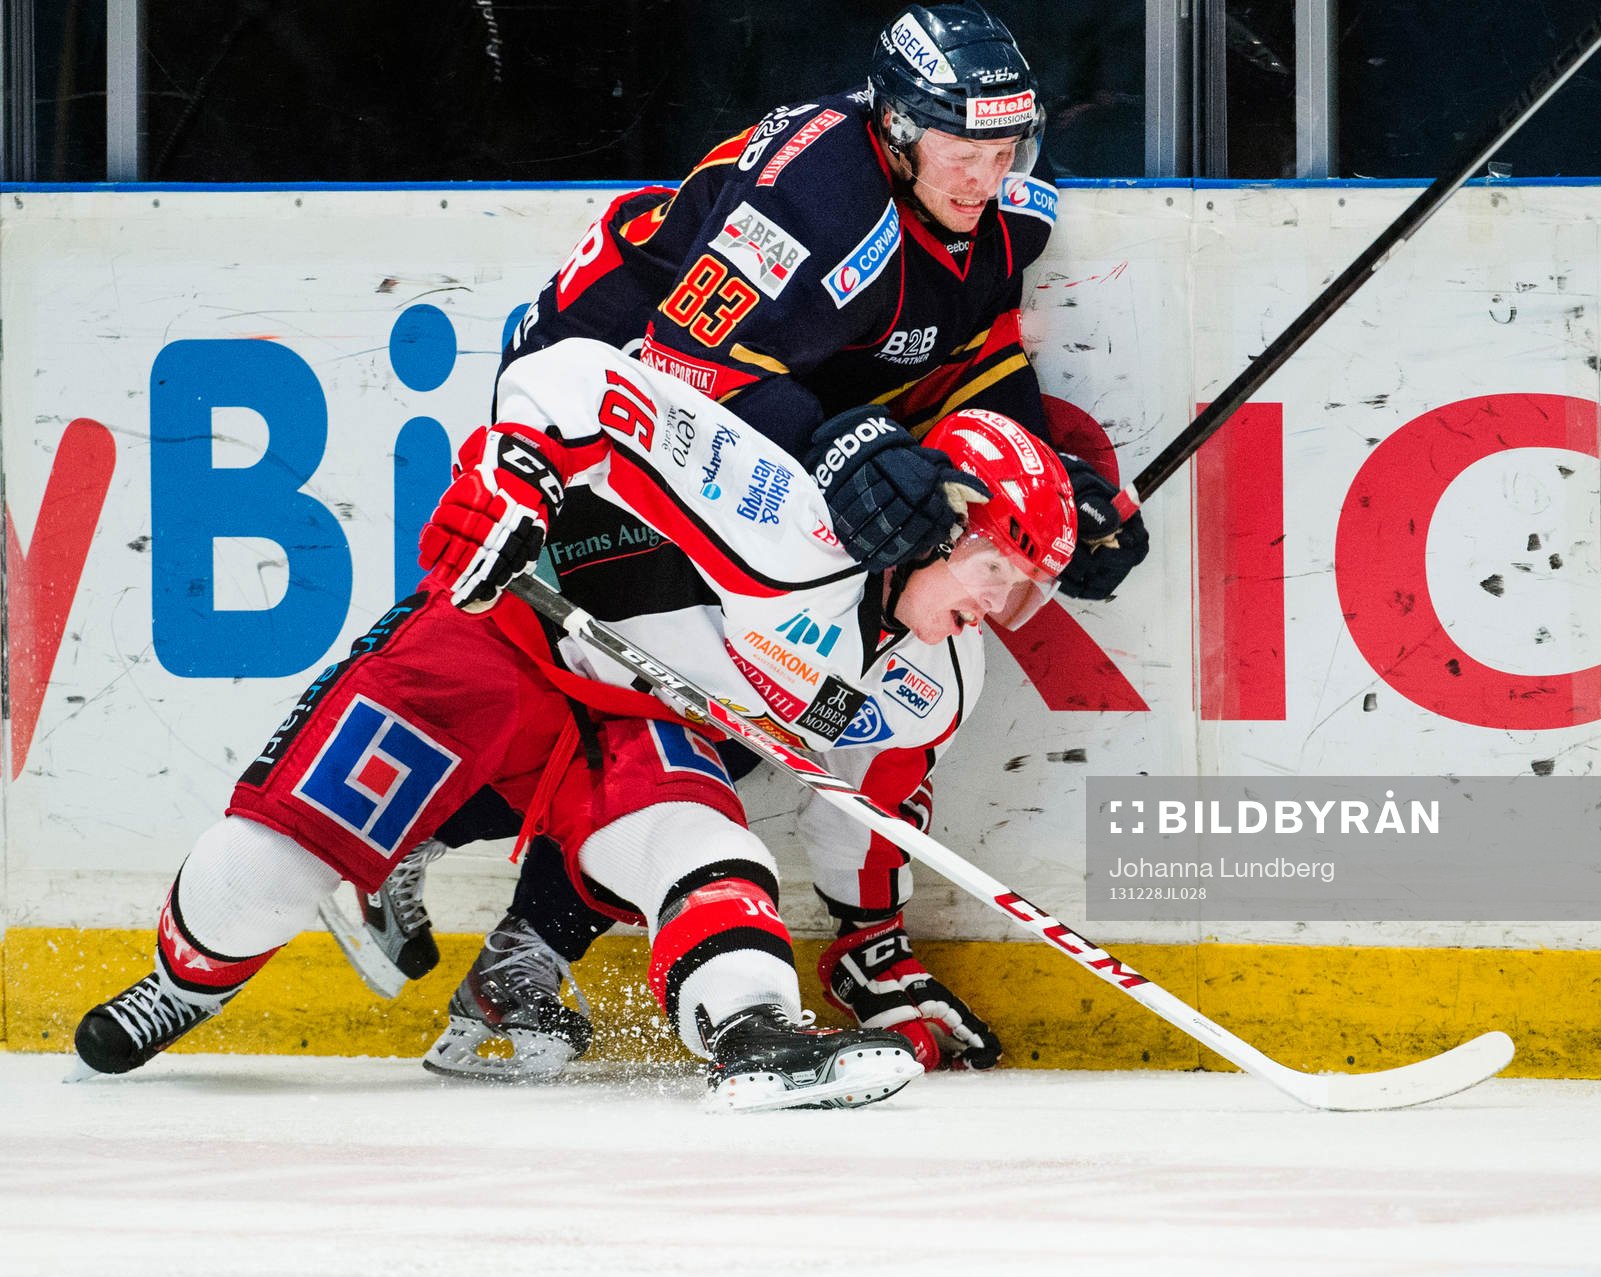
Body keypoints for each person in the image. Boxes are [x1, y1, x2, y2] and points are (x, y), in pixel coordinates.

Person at [329, 0, 1149, 1079]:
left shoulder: (992, 224)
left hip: (758, 451)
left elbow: (970, 361)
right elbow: (676, 364)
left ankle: (513, 942)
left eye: (1004, 148)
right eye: (959, 146)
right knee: (669, 702)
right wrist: (842, 441)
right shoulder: (810, 195)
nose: (982, 172)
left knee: (740, 704)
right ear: (897, 127)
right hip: (611, 431)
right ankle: (444, 869)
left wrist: (1059, 489)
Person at [71, 335, 1080, 1113]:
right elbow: (578, 378)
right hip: (509, 636)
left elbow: (863, 815)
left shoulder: (936, 679)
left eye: (1022, 591)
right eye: (993, 571)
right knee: (262, 872)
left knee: (714, 850)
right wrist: (515, 481)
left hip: (635, 713)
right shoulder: (790, 520)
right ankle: (183, 979)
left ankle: (756, 1036)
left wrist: (872, 950)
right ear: (937, 523)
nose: (993, 606)